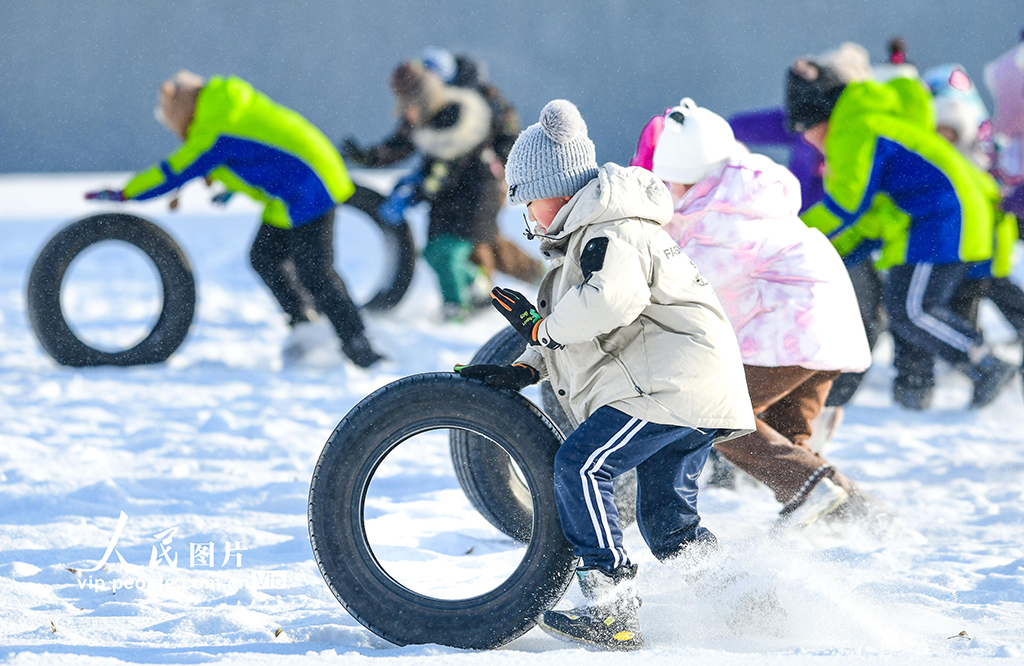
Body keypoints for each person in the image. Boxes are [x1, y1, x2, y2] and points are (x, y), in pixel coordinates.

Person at [456, 100, 753, 650]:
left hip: (671, 386)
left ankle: (611, 608)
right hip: (688, 387)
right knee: (668, 525)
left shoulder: (609, 232)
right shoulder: (590, 238)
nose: (526, 217)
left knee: (582, 464)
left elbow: (609, 304)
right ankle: (748, 606)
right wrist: (523, 368)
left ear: (555, 191)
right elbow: (585, 328)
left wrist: (541, 329)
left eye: (527, 201)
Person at [649, 98, 874, 526]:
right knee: (788, 442)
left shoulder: (719, 217)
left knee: (716, 415)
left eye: (672, 183)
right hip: (828, 329)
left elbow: (688, 285)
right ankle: (862, 519)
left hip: (794, 332)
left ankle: (812, 493)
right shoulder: (747, 195)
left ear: (690, 180)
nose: (669, 192)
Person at [84, 70, 382, 368]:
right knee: (265, 256)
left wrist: (126, 192)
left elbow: (174, 170)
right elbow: (257, 150)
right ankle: (305, 322)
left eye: (171, 122)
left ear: (181, 111)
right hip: (294, 186)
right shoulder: (221, 106)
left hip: (311, 186)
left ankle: (359, 345)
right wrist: (232, 188)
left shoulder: (214, 128)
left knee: (314, 271)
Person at [790, 58, 1018, 409]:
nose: (808, 141)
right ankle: (970, 370)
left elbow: (846, 205)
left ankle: (985, 364)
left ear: (817, 119)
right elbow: (867, 218)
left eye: (805, 130)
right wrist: (831, 249)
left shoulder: (853, 127)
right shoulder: (869, 117)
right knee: (909, 306)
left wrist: (791, 233)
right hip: (946, 214)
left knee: (913, 309)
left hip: (943, 216)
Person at [342, 53, 541, 320]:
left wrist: (421, 188)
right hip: (456, 189)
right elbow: (408, 141)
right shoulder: (431, 103)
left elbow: (452, 157)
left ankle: (478, 303)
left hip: (483, 184)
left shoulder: (466, 104)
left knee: (461, 247)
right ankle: (501, 286)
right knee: (469, 243)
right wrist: (372, 157)